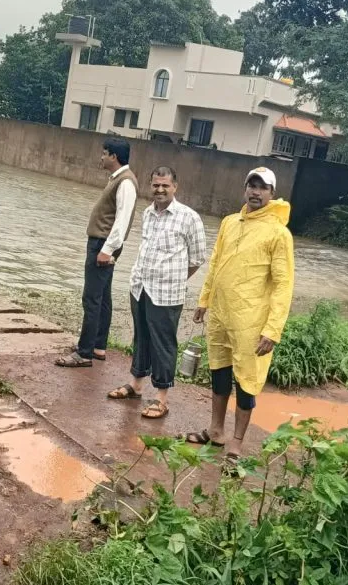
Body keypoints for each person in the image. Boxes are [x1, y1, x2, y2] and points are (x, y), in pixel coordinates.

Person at [183, 167, 295, 464]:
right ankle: (216, 430)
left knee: (247, 380)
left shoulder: (279, 233)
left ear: (272, 193)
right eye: (251, 185)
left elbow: (283, 284)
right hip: (221, 314)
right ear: (245, 188)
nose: (255, 192)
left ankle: (236, 443)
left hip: (251, 321)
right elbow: (216, 262)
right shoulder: (230, 222)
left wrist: (272, 329)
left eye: (262, 187)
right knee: (219, 370)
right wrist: (204, 300)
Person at [106, 166, 206, 419]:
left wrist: (174, 279)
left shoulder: (189, 217)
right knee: (140, 336)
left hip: (167, 293)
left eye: (165, 185)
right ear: (150, 186)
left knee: (163, 343)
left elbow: (197, 258)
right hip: (140, 286)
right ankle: (136, 384)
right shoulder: (148, 213)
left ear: (175, 187)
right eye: (156, 185)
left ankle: (161, 398)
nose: (160, 190)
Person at [56, 138, 138, 368]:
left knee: (91, 298)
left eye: (104, 153)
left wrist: (107, 250)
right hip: (103, 243)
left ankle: (84, 353)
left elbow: (122, 221)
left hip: (103, 244)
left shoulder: (125, 182)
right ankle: (97, 346)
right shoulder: (119, 179)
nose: (101, 157)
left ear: (114, 156)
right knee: (102, 298)